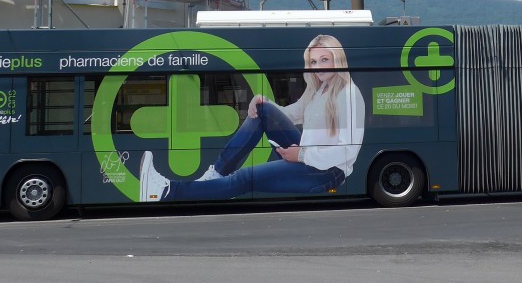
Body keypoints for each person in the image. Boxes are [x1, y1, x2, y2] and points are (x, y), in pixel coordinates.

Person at [139, 34, 365, 202]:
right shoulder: (318, 90)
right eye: (314, 62)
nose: (318, 67)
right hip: (306, 156)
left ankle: (167, 191)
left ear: (338, 58)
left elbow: (349, 150)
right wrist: (263, 102)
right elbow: (290, 114)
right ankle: (215, 173)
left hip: (326, 172)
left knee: (245, 178)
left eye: (325, 60)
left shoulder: (349, 94)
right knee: (264, 109)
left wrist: (302, 154)